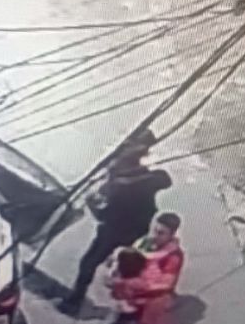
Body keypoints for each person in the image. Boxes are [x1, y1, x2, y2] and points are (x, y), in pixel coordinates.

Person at [64, 130, 170, 312]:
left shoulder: (123, 185)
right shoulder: (141, 178)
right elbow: (163, 180)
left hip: (115, 231)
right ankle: (136, 298)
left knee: (90, 262)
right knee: (129, 266)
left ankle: (75, 300)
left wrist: (92, 203)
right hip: (136, 230)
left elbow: (104, 214)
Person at [115, 212, 185, 324]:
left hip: (152, 302)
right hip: (132, 298)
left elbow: (165, 283)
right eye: (154, 230)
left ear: (171, 235)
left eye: (161, 233)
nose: (154, 236)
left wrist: (137, 284)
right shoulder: (143, 243)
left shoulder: (173, 256)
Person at [101, 247, 148, 324]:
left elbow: (108, 282)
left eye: (116, 260)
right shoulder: (137, 279)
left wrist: (112, 271)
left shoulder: (123, 284)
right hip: (133, 313)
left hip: (128, 315)